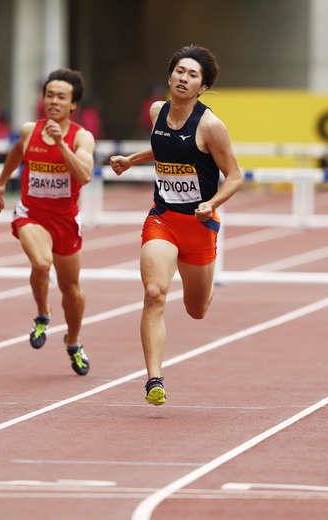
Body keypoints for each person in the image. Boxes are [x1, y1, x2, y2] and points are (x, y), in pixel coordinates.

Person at [109, 45, 243, 405]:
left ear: (202, 87)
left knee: (196, 309)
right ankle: (154, 379)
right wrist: (131, 160)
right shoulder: (157, 111)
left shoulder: (211, 126)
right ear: (170, 76)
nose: (184, 78)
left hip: (199, 226)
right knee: (154, 293)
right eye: (180, 71)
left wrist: (212, 203)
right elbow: (164, 148)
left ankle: (205, 279)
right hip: (163, 219)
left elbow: (234, 176)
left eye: (192, 75)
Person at [0, 69, 95, 376]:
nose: (53, 101)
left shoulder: (81, 137)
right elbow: (15, 153)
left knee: (71, 289)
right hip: (32, 214)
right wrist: (0, 183)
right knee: (41, 264)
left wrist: (62, 145)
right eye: (49, 95)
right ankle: (42, 313)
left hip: (65, 220)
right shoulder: (28, 130)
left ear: (73, 104)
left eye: (61, 97)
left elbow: (84, 175)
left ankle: (73, 342)